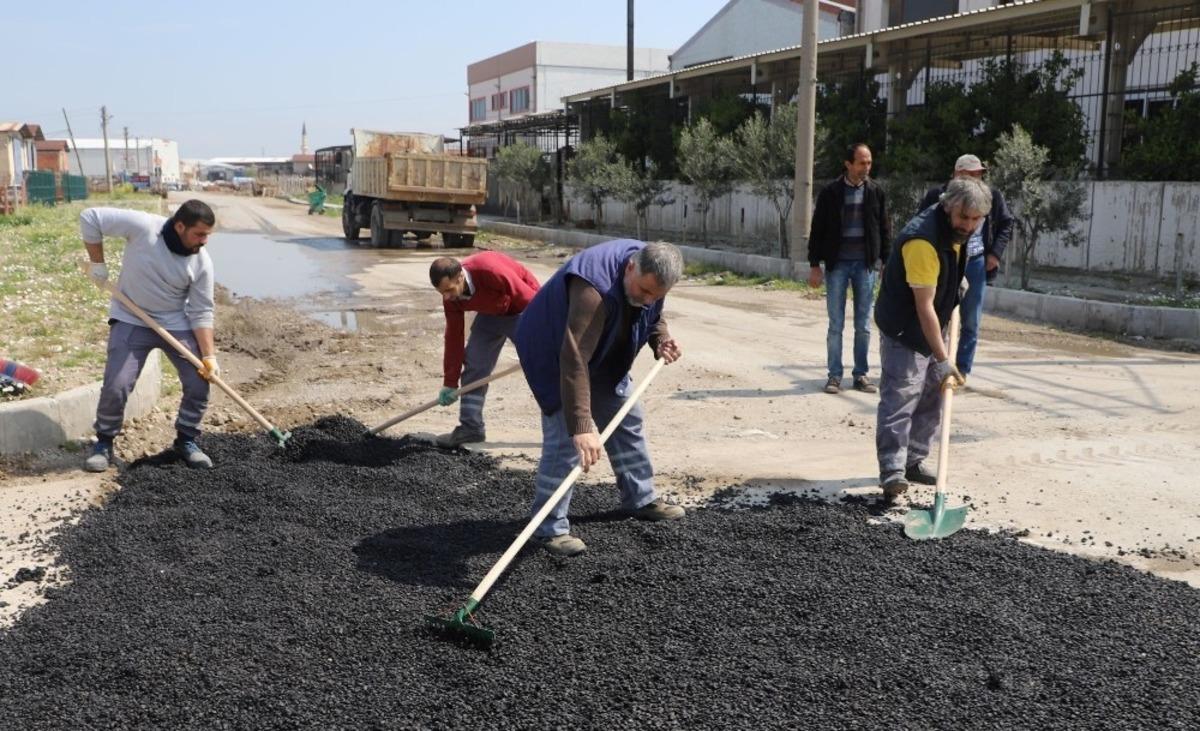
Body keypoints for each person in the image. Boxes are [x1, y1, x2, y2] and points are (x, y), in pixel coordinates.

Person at [514, 240, 686, 557]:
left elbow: (652, 312)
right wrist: (581, 425)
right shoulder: (592, 287)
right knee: (566, 439)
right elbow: (575, 356)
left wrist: (660, 339)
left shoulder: (652, 275)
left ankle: (640, 498)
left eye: (655, 295)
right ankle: (547, 527)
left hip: (604, 352)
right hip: (555, 351)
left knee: (627, 417)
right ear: (631, 266)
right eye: (643, 290)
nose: (646, 299)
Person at [874, 177, 990, 503]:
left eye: (975, 219)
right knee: (902, 396)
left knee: (933, 397)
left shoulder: (959, 232)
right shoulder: (922, 240)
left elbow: (946, 272)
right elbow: (923, 307)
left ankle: (913, 460)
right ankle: (892, 472)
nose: (968, 226)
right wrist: (942, 360)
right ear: (947, 207)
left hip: (932, 319)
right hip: (904, 326)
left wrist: (957, 282)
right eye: (963, 218)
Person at [82, 200, 219, 472]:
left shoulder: (201, 263)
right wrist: (98, 263)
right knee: (117, 384)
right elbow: (90, 217)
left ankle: (186, 440)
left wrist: (209, 356)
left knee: (199, 380)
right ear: (180, 226)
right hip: (131, 316)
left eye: (207, 235)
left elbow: (202, 312)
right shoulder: (144, 228)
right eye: (199, 234)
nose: (204, 241)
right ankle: (104, 442)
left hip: (175, 322)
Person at [916, 154, 1014, 377]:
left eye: (979, 174)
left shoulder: (990, 196)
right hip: (944, 263)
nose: (977, 179)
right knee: (938, 315)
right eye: (972, 174)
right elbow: (921, 222)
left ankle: (962, 370)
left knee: (970, 321)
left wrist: (995, 255)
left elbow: (1007, 222)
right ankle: (934, 365)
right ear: (957, 174)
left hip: (975, 263)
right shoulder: (938, 196)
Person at [429, 252, 540, 448]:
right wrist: (450, 381)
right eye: (441, 293)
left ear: (461, 277)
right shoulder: (451, 299)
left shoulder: (489, 270)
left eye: (449, 289)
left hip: (524, 308)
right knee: (475, 363)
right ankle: (471, 428)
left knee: (542, 367)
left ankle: (566, 430)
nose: (446, 297)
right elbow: (454, 336)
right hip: (492, 313)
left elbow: (530, 300)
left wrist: (543, 341)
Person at [808, 143, 891, 395]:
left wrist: (886, 262)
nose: (866, 167)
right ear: (848, 164)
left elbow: (885, 228)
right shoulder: (831, 193)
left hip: (865, 267)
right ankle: (834, 375)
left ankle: (861, 374)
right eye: (861, 163)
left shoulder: (875, 192)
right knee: (836, 324)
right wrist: (815, 265)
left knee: (864, 325)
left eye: (869, 162)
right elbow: (817, 229)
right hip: (837, 266)